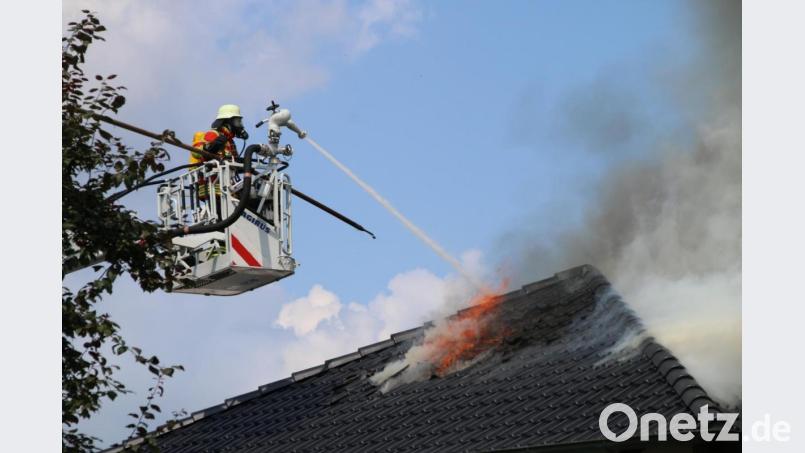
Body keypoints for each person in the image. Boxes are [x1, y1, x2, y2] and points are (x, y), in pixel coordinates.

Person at [191, 104, 249, 202]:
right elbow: (195, 151)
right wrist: (210, 147)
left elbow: (233, 164)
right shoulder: (214, 134)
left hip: (227, 187)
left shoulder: (230, 141)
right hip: (214, 186)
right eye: (237, 121)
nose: (240, 125)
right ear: (227, 122)